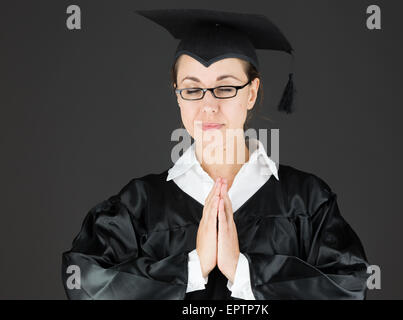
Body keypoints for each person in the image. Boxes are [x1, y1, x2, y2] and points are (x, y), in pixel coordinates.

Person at [61, 8, 370, 300]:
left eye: (225, 88)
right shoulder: (138, 206)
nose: (208, 105)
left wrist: (244, 271)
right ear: (177, 95)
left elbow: (349, 287)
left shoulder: (307, 201)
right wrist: (192, 267)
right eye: (192, 89)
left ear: (251, 93)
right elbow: (84, 283)